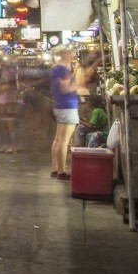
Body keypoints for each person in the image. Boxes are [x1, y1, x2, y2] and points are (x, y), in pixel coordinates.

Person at [50, 48, 79, 180]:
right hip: (67, 106)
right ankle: (61, 172)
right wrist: (78, 85)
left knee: (58, 139)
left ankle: (55, 169)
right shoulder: (63, 70)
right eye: (70, 52)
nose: (73, 54)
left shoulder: (56, 69)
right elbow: (65, 88)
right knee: (64, 141)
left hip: (59, 105)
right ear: (64, 55)